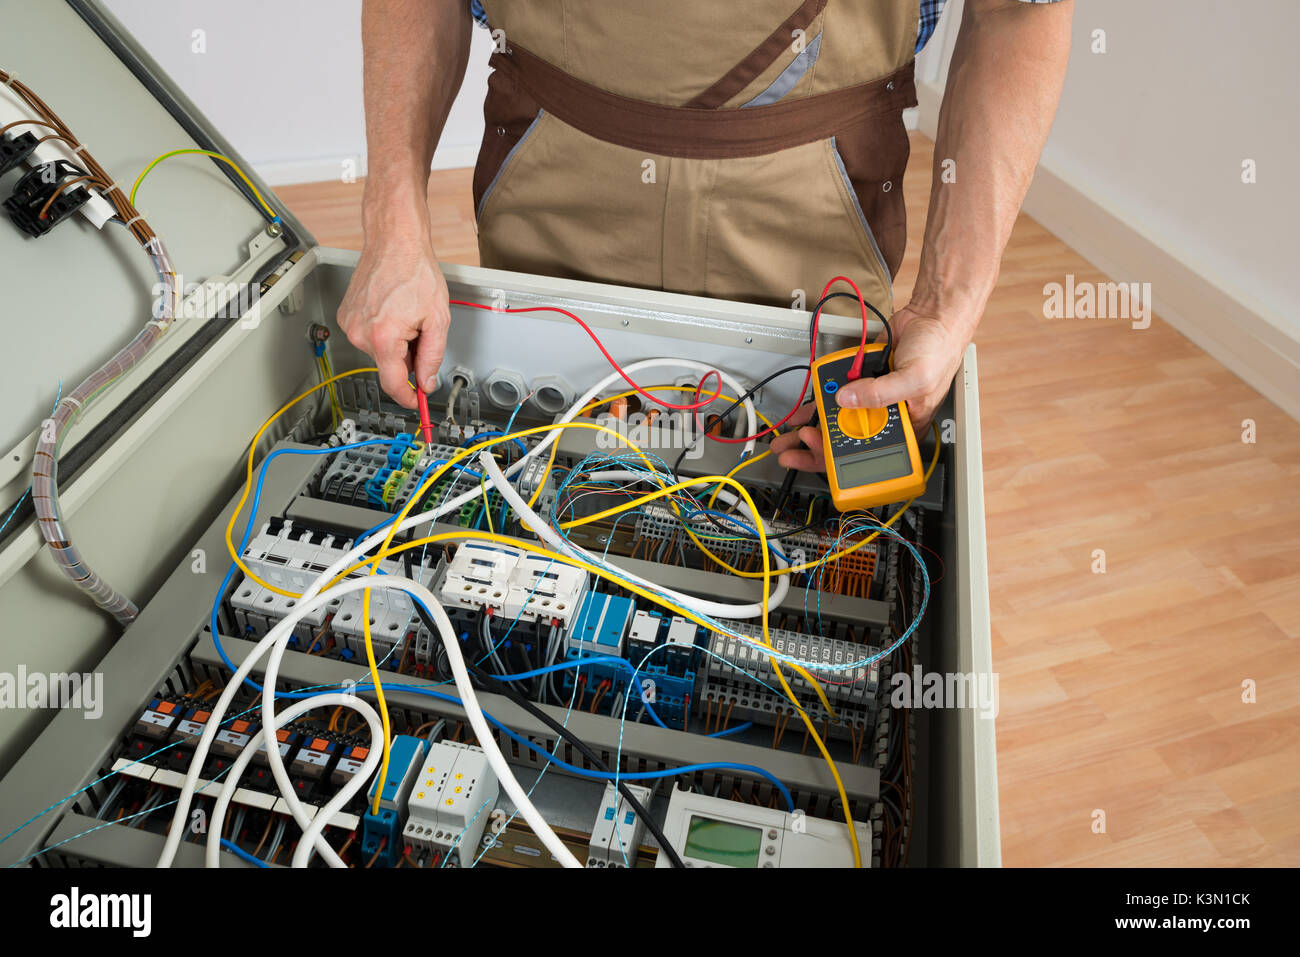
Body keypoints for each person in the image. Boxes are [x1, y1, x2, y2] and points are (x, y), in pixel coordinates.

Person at [337, 0, 1073, 472]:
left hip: (814, 271)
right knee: (533, 492)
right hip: (553, 221)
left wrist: (950, 303)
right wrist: (392, 223)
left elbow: (1021, 11)